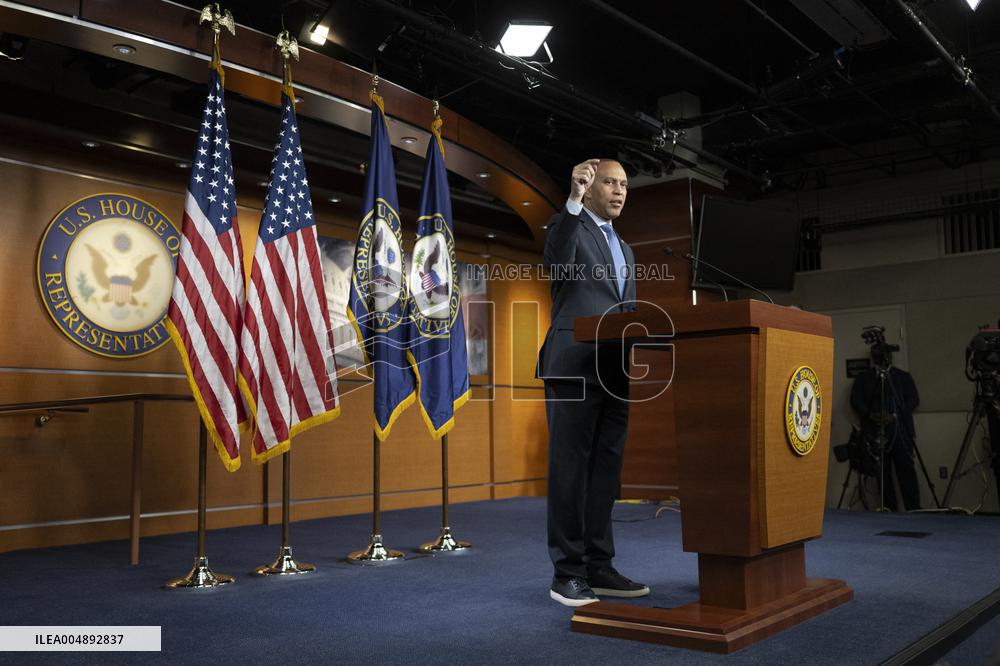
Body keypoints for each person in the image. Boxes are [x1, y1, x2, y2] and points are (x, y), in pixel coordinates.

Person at [536, 158, 648, 607]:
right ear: (590, 184)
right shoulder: (571, 228)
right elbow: (555, 260)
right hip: (572, 365)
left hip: (615, 368)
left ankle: (599, 566)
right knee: (570, 471)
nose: (618, 191)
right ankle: (566, 573)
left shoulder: (627, 248)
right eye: (609, 182)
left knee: (605, 471)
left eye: (624, 185)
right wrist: (573, 200)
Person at [849, 347, 921, 512]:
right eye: (878, 354)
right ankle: (889, 510)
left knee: (907, 470)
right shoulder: (863, 378)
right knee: (882, 472)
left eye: (885, 354)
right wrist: (871, 415)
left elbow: (913, 400)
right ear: (873, 357)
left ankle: (914, 508)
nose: (882, 357)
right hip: (875, 432)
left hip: (900, 431)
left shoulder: (902, 376)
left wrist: (895, 415)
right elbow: (856, 401)